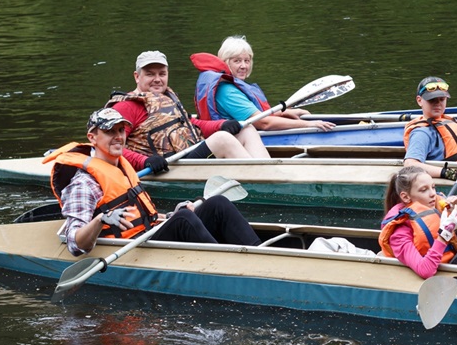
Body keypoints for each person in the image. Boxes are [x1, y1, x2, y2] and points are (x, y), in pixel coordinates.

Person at [44, 108, 260, 257]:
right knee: (184, 219)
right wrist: (101, 219)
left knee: (216, 204)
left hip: (148, 235)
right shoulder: (83, 184)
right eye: (110, 131)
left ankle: (258, 254)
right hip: (132, 248)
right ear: (92, 137)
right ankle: (228, 264)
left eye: (120, 130)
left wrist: (170, 214)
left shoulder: (121, 167)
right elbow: (74, 243)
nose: (118, 136)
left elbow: (144, 216)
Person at [108, 50, 269, 175]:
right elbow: (110, 145)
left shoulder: (166, 97)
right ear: (137, 77)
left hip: (187, 154)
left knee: (246, 128)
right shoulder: (126, 106)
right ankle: (265, 182)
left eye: (162, 74)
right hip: (167, 167)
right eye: (150, 74)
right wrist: (144, 161)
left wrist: (221, 124)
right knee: (222, 139)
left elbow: (189, 124)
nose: (157, 79)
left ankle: (270, 174)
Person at [191, 35, 335, 132]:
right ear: (225, 62)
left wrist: (285, 112)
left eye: (247, 61)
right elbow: (264, 123)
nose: (243, 66)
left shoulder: (231, 86)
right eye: (237, 61)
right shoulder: (227, 92)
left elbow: (257, 114)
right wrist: (309, 124)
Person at [378, 165, 457, 279]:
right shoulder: (399, 232)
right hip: (437, 276)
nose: (432, 194)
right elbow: (425, 270)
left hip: (450, 265)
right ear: (405, 197)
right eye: (424, 190)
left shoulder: (436, 209)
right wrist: (444, 234)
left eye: (433, 187)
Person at [403, 76, 457, 182]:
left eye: (442, 99)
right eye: (432, 100)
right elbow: (410, 166)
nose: (438, 103)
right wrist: (445, 172)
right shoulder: (422, 133)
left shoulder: (445, 120)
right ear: (420, 101)